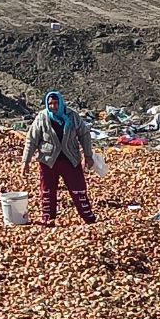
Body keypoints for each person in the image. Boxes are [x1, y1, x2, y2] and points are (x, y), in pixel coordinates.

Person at [21, 90, 97, 225]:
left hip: (70, 159)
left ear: (61, 103)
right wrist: (25, 161)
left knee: (78, 189)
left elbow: (84, 134)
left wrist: (88, 155)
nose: (53, 106)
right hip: (48, 160)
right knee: (47, 191)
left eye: (56, 103)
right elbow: (31, 140)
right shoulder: (42, 117)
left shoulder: (72, 116)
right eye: (50, 104)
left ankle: (88, 218)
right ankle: (48, 219)